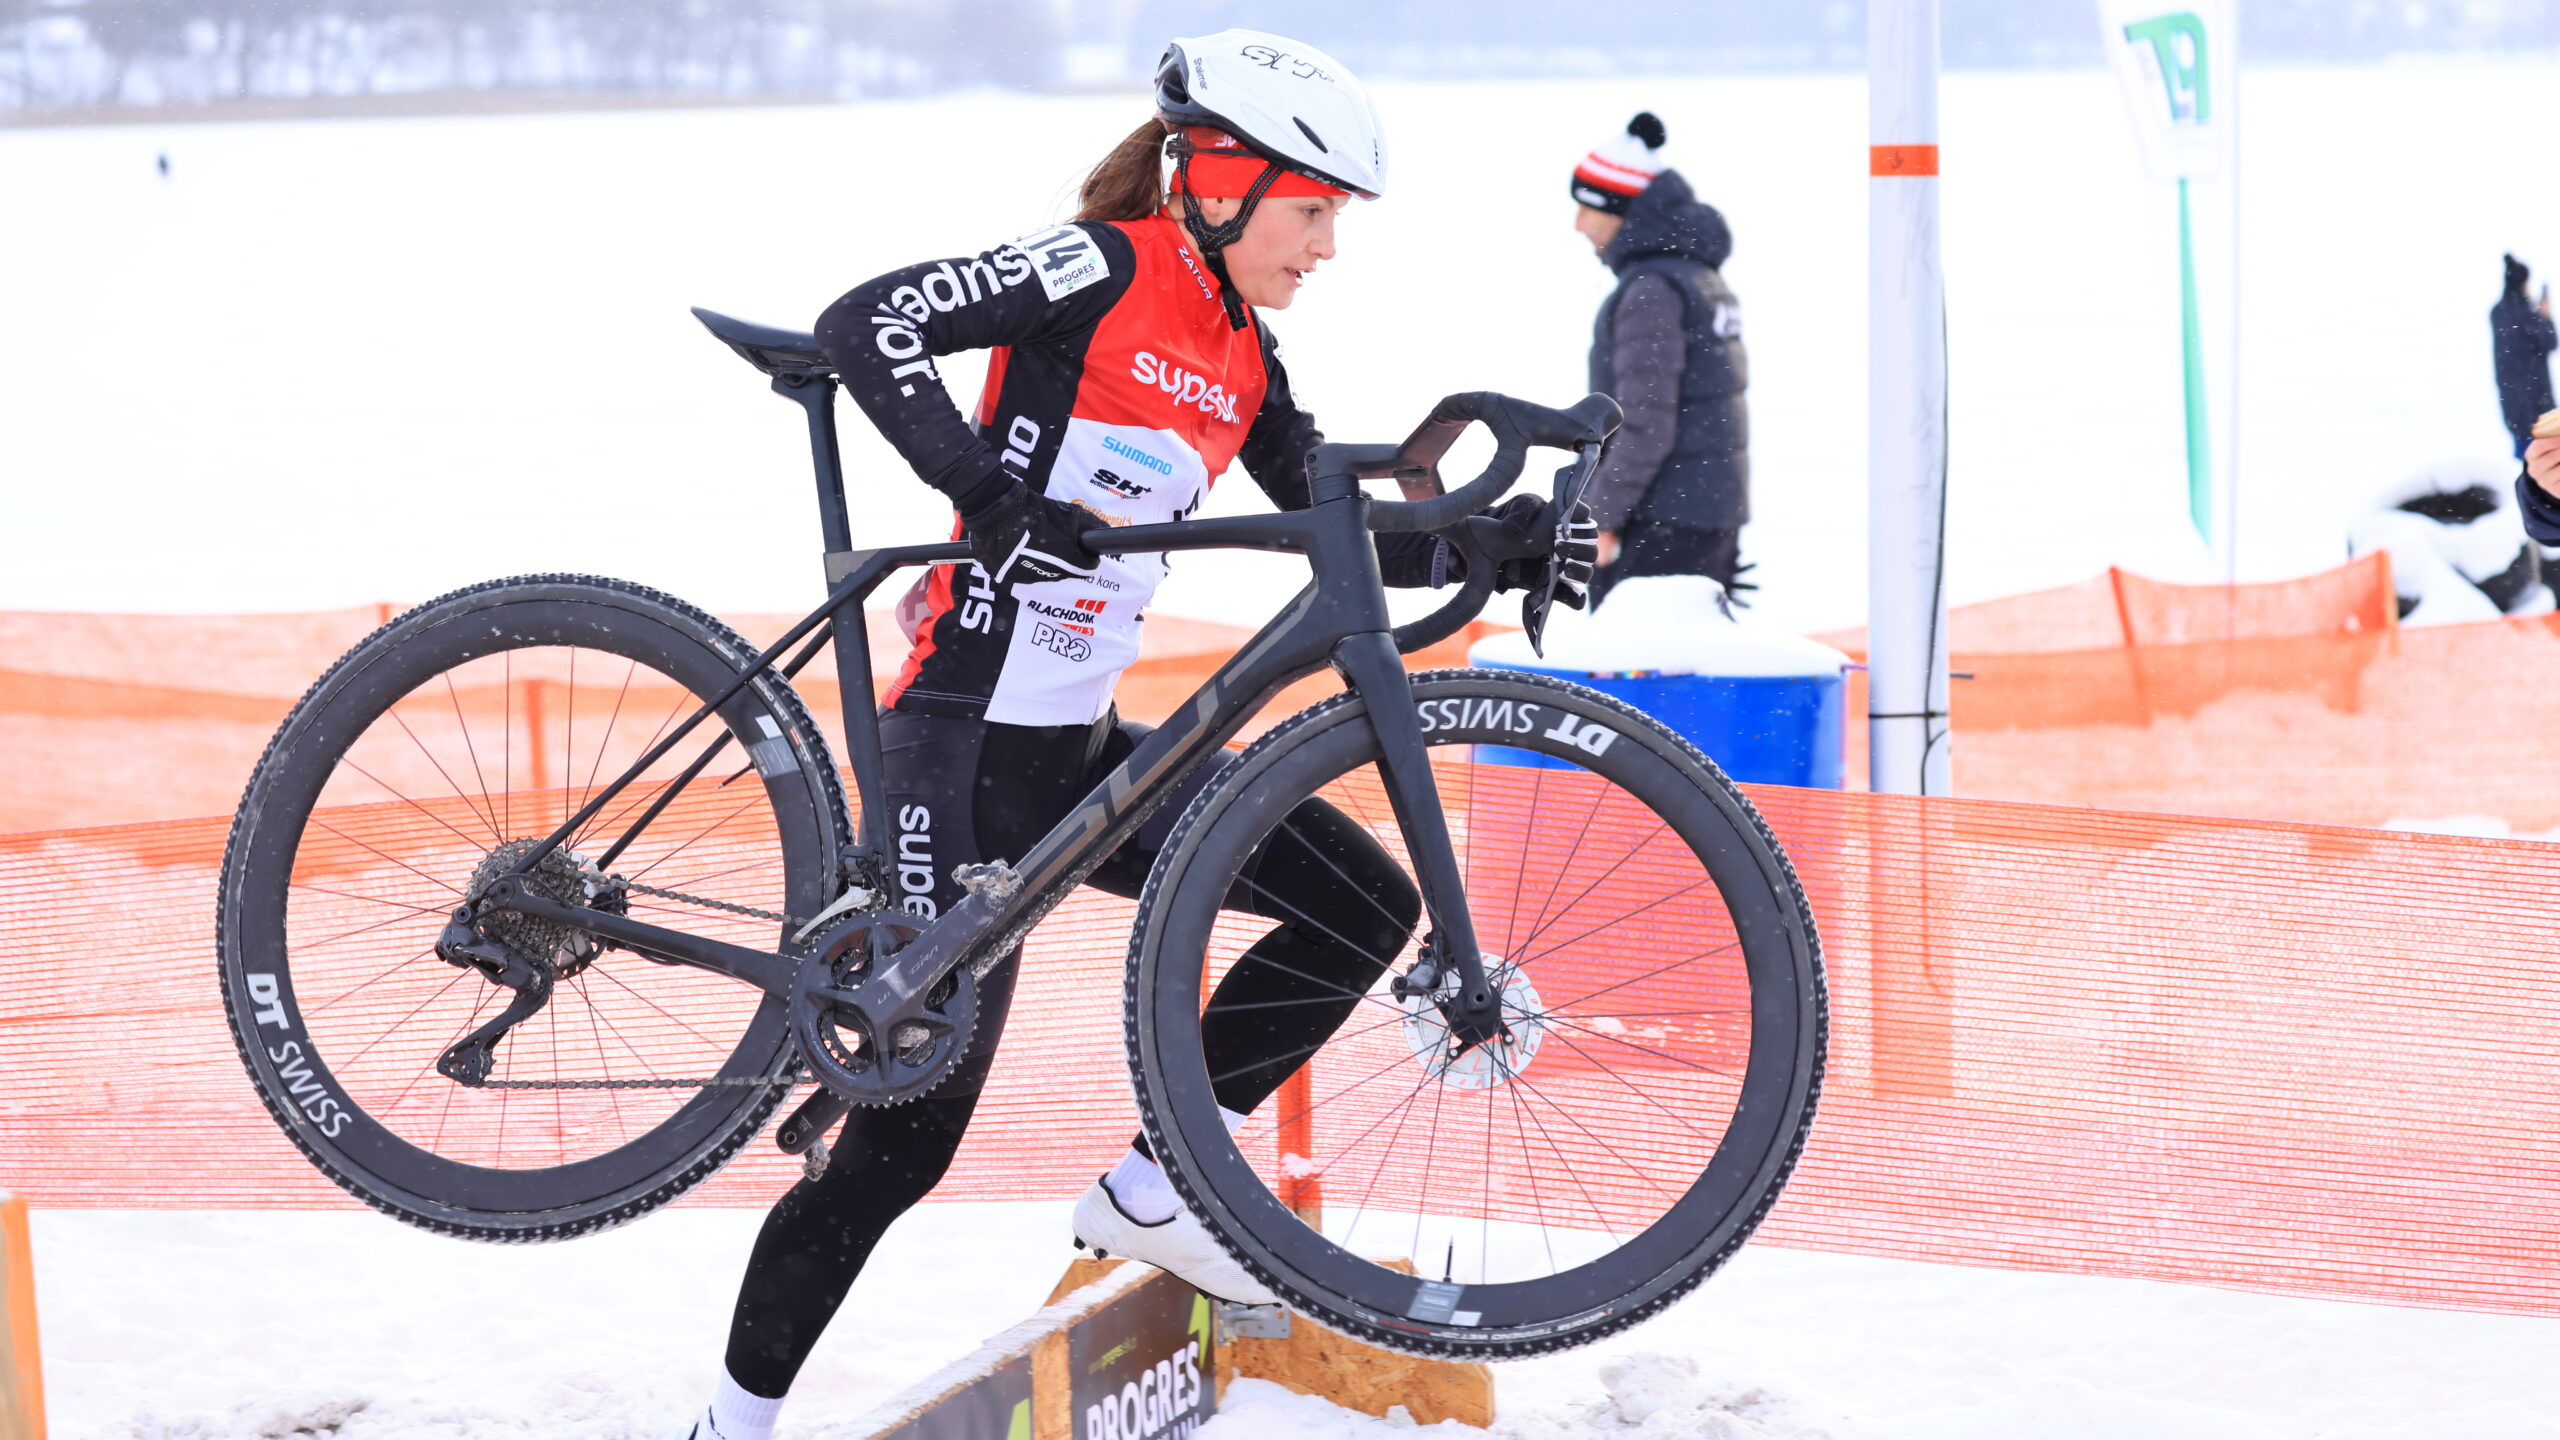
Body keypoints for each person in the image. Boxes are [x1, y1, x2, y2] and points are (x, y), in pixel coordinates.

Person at [678, 30, 1588, 1440]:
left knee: (1360, 903)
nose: (1327, 248)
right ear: (1218, 182)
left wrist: (1498, 540)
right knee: (900, 1150)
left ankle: (1160, 1186)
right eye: (1312, 212)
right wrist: (991, 499)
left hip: (1080, 755)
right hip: (959, 747)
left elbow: (1340, 534)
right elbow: (870, 323)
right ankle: (726, 1427)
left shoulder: (1242, 353)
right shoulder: (1101, 266)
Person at [1570, 112, 1752, 609]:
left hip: (1661, 524)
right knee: (1691, 652)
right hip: (1704, 515)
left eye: (1586, 208)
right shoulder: (1696, 279)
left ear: (1620, 211)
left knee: (1636, 656)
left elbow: (1645, 423)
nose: (1577, 225)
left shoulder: (1652, 291)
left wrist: (1600, 516)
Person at [2493, 253, 2556, 461]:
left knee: (2527, 460)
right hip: (2537, 403)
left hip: (2511, 400)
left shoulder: (2498, 312)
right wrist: (2546, 316)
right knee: (2545, 463)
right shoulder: (2528, 314)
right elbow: (2551, 342)